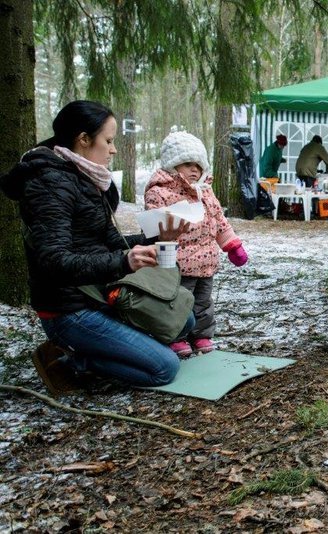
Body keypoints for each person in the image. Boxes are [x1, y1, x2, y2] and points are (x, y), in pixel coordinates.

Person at [0, 100, 193, 393]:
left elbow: (108, 244)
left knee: (184, 320)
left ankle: (113, 346)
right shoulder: (49, 183)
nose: (114, 149)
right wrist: (124, 262)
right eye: (109, 141)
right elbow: (54, 261)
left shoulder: (86, 178)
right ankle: (73, 360)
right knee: (164, 368)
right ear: (84, 139)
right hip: (69, 311)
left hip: (100, 295)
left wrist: (157, 240)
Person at [145, 132, 249, 356]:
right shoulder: (160, 192)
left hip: (207, 262)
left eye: (199, 165)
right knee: (177, 303)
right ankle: (177, 336)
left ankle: (201, 336)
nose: (195, 170)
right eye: (187, 164)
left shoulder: (206, 192)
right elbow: (154, 228)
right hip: (178, 265)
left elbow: (219, 221)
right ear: (173, 165)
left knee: (203, 304)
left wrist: (232, 245)